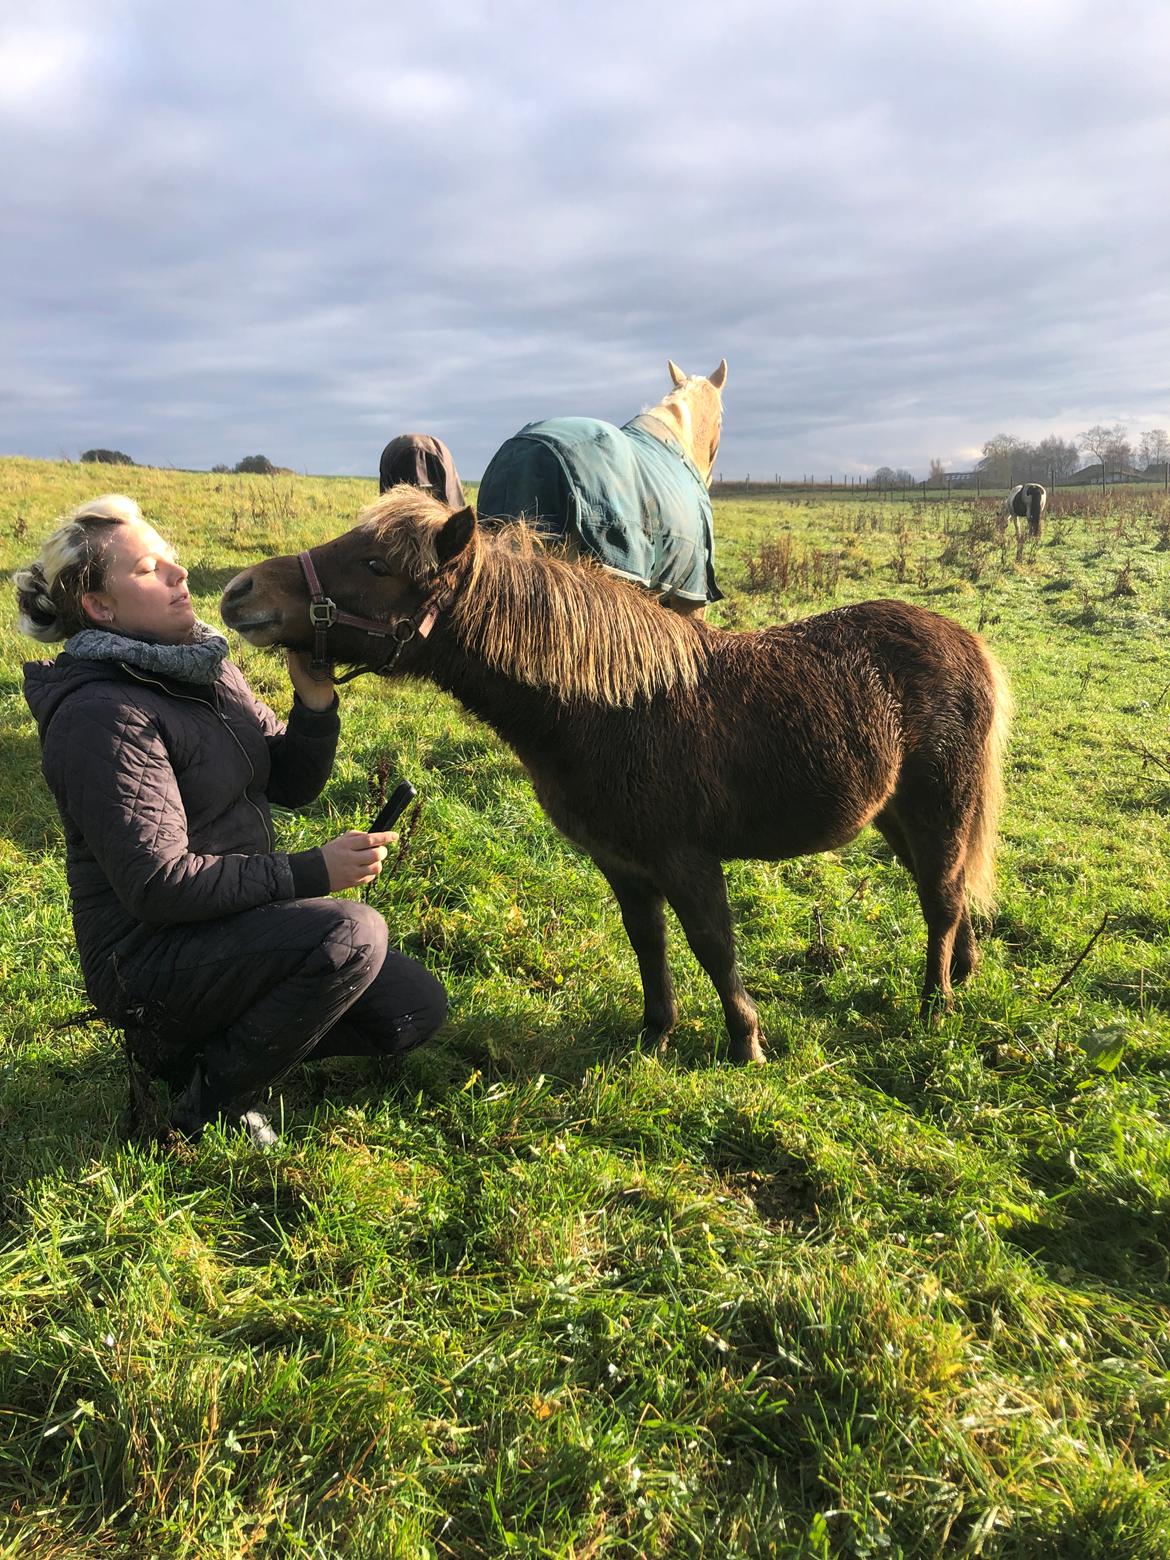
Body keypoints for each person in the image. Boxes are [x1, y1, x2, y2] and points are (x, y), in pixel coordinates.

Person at [16, 495, 447, 1147]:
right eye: (147, 570)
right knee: (353, 935)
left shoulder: (207, 670)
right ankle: (205, 1103)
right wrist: (313, 872)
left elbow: (293, 781)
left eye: (173, 560)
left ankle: (202, 1044)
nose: (178, 574)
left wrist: (315, 702)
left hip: (230, 925)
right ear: (100, 608)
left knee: (413, 1007)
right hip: (146, 956)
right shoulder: (100, 713)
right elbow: (158, 884)